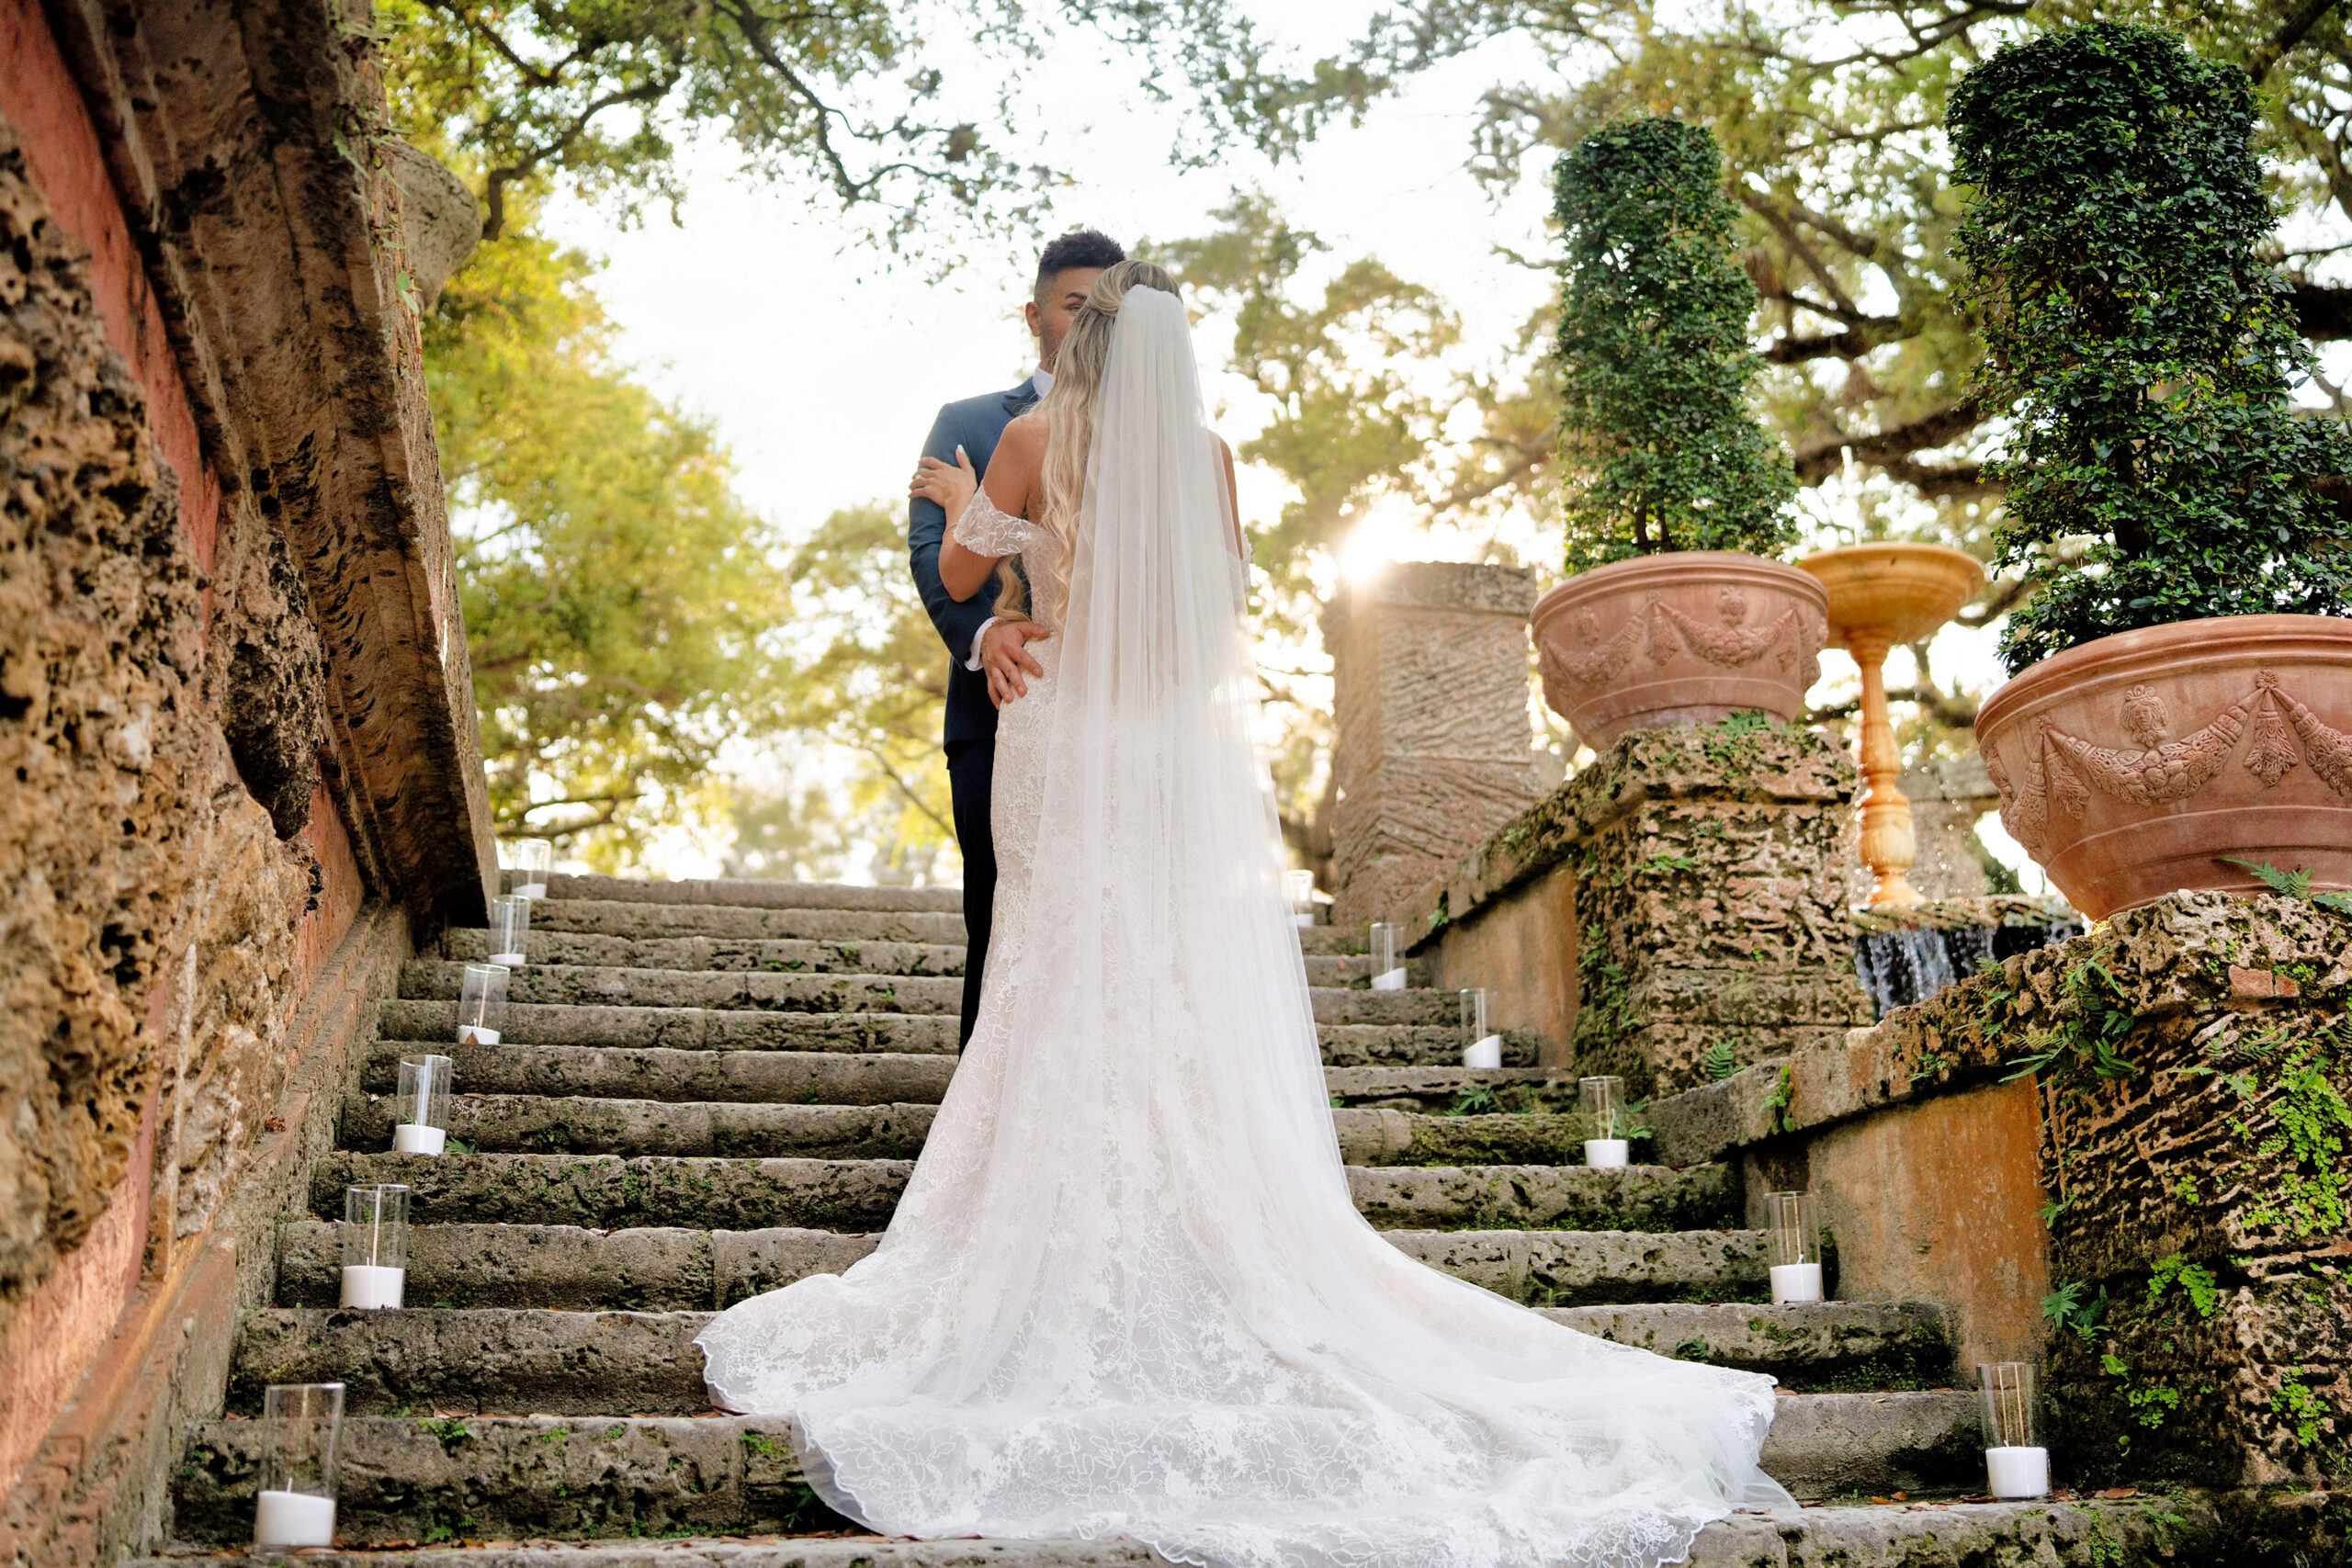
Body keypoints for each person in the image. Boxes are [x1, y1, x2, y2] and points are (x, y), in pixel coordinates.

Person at [697, 260, 1791, 1568]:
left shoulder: (1035, 437)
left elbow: (973, 559)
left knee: (1059, 962)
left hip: (1056, 729)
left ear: (1081, 339)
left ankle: (1042, 1234)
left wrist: (958, 507)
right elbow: (1211, 612)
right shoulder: (1206, 453)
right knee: (1149, 960)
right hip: (1159, 746)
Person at [904, 228, 1125, 1049]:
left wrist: (975, 510)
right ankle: (985, 1109)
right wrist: (987, 630)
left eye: (1109, 307)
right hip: (1003, 703)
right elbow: (934, 560)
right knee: (1001, 906)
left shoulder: (1152, 437)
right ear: (1035, 314)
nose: (1093, 322)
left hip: (1115, 710)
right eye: (1077, 305)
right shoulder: (967, 421)